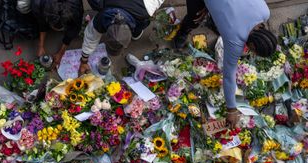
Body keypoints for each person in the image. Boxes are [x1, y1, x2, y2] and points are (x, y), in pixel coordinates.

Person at [174, 0, 277, 128]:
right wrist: (231, 109)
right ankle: (184, 31)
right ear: (252, 45)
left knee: (216, 15)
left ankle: (213, 17)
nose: (252, 53)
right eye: (254, 51)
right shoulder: (235, 39)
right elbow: (229, 76)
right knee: (195, 17)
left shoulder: (265, 12)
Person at [79, 0, 164, 75]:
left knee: (144, 21)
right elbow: (91, 37)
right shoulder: (103, 17)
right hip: (116, 6)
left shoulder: (148, 7)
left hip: (141, 9)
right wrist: (84, 61)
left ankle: (136, 32)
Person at [31, 0, 84, 67]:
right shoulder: (39, 3)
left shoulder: (76, 7)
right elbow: (41, 22)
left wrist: (61, 53)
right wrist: (40, 46)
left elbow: (74, 29)